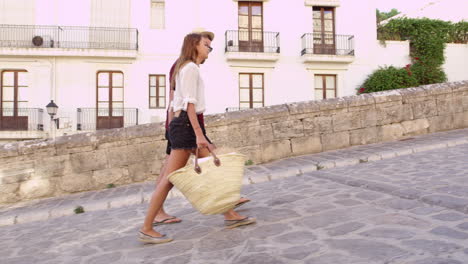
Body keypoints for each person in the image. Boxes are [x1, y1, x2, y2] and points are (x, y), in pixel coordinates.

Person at [139, 32, 256, 244]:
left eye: (210, 46)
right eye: (206, 45)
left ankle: (229, 213)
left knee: (213, 167)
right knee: (168, 180)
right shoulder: (190, 68)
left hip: (185, 125)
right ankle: (147, 227)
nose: (209, 49)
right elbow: (189, 105)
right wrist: (200, 135)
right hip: (186, 126)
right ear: (194, 45)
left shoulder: (185, 67)